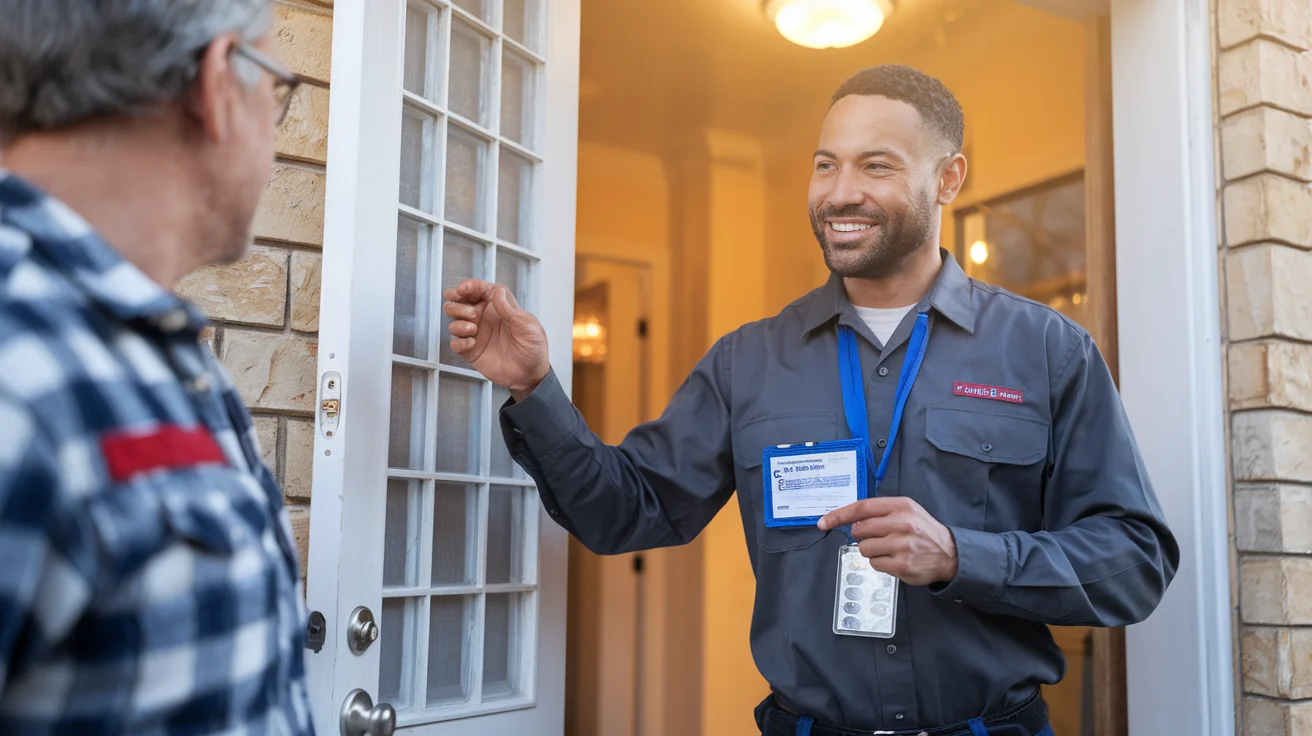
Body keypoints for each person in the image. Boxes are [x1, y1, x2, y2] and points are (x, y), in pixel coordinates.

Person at [444, 65, 1178, 736]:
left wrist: (962, 555)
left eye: (876, 165)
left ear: (948, 178)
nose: (839, 192)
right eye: (825, 164)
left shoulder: (1048, 350)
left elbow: (1134, 562)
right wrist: (535, 388)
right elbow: (621, 510)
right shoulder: (749, 361)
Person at [0, 2, 314, 733]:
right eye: (276, 89)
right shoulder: (18, 366)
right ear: (217, 85)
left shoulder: (156, 354)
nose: (275, 137)